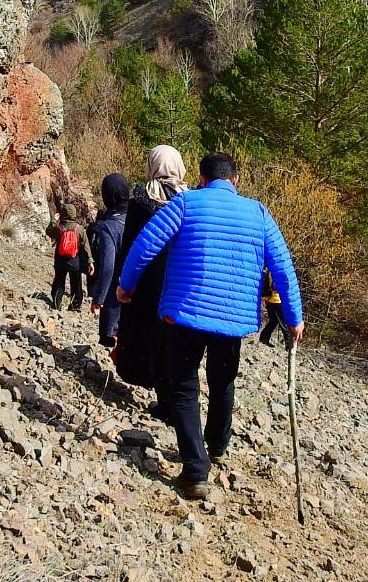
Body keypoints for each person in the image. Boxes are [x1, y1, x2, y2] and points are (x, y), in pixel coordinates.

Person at [117, 151, 304, 500]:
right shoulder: (258, 214)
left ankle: (195, 470)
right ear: (235, 180)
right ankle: (216, 445)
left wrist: (125, 286)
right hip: (232, 321)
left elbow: (145, 245)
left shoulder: (185, 204)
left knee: (184, 387)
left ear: (202, 179)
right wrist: (294, 318)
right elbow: (283, 268)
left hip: (185, 315)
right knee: (222, 382)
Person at [112, 145, 187, 422]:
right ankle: (170, 400)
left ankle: (147, 380)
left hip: (145, 280)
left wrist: (123, 280)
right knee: (171, 340)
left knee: (145, 333)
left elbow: (131, 244)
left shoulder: (140, 200)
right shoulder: (188, 201)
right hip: (177, 280)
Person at [87, 173, 130, 346]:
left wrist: (98, 299)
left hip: (116, 294)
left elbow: (107, 267)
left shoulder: (109, 227)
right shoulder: (140, 217)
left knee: (113, 337)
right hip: (140, 289)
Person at [48, 214, 91, 311]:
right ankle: (75, 305)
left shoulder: (59, 227)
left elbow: (49, 231)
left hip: (60, 260)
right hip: (74, 260)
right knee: (76, 282)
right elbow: (86, 246)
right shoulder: (79, 228)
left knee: (59, 280)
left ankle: (56, 303)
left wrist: (54, 220)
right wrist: (90, 260)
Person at [258, 270, 285, 347]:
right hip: (276, 300)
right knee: (283, 323)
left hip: (270, 299)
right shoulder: (278, 271)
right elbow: (276, 286)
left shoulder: (270, 271)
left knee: (273, 321)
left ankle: (264, 338)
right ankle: (288, 345)